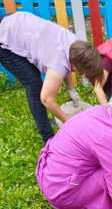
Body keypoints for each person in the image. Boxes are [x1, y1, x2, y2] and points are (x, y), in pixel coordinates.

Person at [0, 11, 104, 142]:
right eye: (82, 72)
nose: (82, 74)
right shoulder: (58, 63)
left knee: (36, 78)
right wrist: (69, 122)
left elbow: (69, 63)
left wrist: (71, 88)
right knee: (34, 85)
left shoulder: (76, 44)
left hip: (20, 23)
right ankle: (47, 137)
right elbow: (47, 100)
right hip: (5, 37)